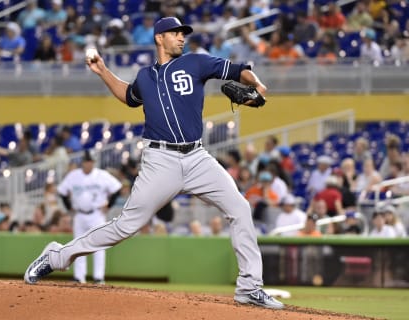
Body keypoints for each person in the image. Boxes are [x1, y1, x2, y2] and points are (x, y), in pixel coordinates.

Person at [24, 17, 284, 310]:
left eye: (183, 33)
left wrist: (259, 86)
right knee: (126, 226)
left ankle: (250, 287)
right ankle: (56, 256)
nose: (181, 37)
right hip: (160, 160)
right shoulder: (145, 77)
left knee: (240, 208)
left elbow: (239, 71)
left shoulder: (196, 62)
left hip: (197, 157)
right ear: (159, 38)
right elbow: (129, 96)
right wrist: (103, 71)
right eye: (175, 33)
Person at [57, 150, 122, 284]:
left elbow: (117, 189)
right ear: (83, 162)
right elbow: (62, 192)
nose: (88, 164)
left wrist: (109, 205)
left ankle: (99, 277)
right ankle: (79, 277)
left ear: (93, 162)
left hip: (96, 214)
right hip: (80, 214)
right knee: (78, 245)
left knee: (99, 244)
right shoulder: (74, 176)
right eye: (86, 161)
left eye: (90, 161)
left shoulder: (102, 175)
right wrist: (69, 207)